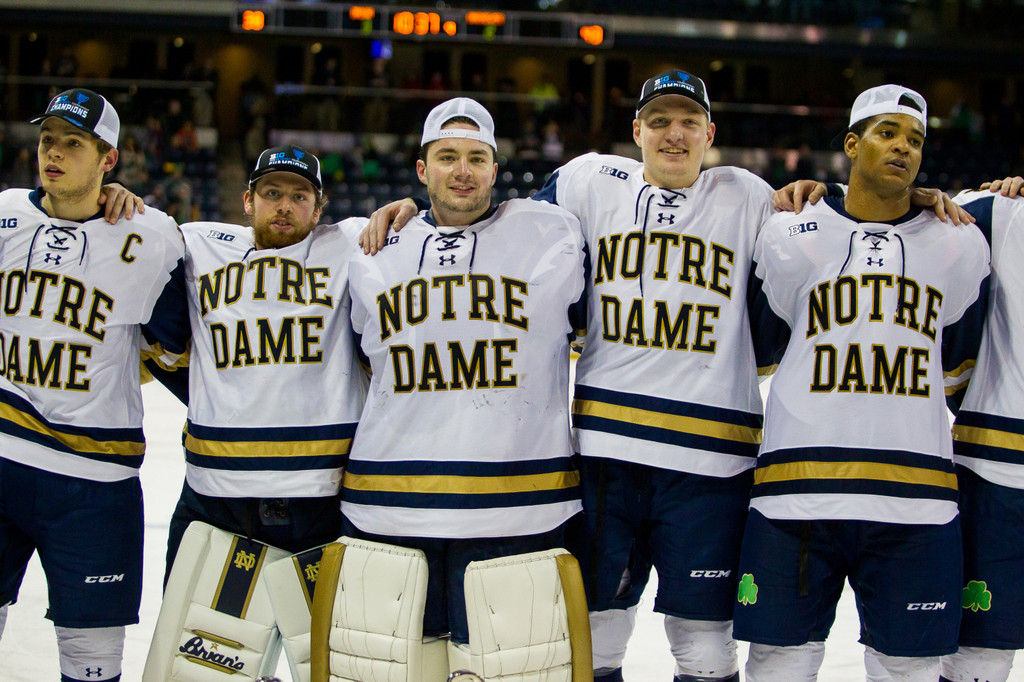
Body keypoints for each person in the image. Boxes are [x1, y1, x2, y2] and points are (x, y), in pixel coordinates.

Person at [359, 70, 974, 682]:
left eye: (687, 123)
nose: (673, 135)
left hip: (712, 465)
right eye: (658, 122)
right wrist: (414, 212)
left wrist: (914, 197)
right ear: (637, 131)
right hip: (606, 457)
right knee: (597, 633)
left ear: (710, 133)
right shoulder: (586, 182)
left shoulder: (754, 196)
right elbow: (480, 212)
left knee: (703, 644)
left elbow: (846, 215)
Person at [736, 84, 990, 682]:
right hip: (796, 492)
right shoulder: (788, 232)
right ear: (852, 143)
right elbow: (762, 350)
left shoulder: (958, 242)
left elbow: (960, 365)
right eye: (887, 133)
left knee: (910, 670)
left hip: (917, 497)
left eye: (915, 140)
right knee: (776, 666)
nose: (903, 147)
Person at [341, 97, 586, 654]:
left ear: (496, 170)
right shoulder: (369, 246)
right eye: (447, 156)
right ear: (423, 169)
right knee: (399, 667)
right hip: (391, 502)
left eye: (477, 157)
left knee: (505, 666)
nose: (463, 170)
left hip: (518, 504)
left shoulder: (553, 231)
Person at [140, 144, 368, 679]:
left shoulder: (351, 244)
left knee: (334, 667)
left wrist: (402, 209)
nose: (284, 206)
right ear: (247, 200)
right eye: (271, 194)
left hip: (326, 501)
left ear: (320, 207)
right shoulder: (196, 245)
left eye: (298, 196)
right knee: (199, 666)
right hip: (218, 500)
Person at [0, 88, 183, 682]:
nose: (52, 152)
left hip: (93, 484)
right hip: (1, 461)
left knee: (91, 664)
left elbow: (178, 346)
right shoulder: (4, 215)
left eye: (73, 143)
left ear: (109, 160)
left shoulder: (150, 235)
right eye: (48, 139)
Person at [940, 175, 1024, 682]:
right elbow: (883, 211)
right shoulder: (998, 213)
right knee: (980, 657)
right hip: (999, 476)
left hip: (997, 460)